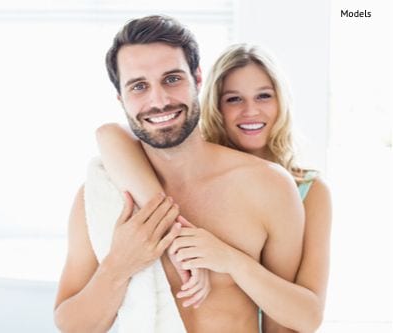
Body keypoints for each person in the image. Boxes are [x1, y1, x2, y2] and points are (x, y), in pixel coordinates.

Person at [54, 15, 304, 333]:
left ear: (197, 79)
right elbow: (72, 325)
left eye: (172, 79)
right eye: (139, 86)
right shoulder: (99, 196)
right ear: (121, 98)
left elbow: (285, 326)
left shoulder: (266, 185)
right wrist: (120, 263)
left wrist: (232, 260)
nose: (158, 101)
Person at [96, 42, 332, 332]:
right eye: (233, 99)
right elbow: (109, 135)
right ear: (214, 104)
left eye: (264, 96)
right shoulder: (186, 173)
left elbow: (304, 317)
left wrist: (231, 259)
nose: (251, 111)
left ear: (282, 101)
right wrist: (172, 229)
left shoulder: (307, 190)